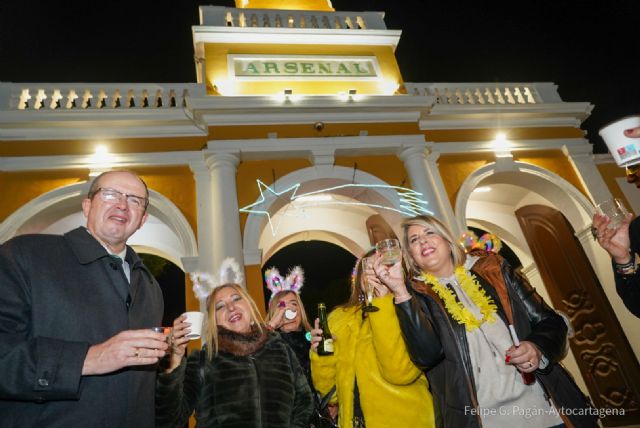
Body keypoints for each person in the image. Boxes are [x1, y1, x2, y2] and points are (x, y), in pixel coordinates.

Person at [376, 215, 597, 428]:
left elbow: (551, 322)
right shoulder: (413, 300)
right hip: (484, 420)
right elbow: (426, 356)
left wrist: (536, 348)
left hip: (544, 410)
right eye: (414, 240)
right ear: (411, 256)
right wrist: (400, 293)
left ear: (446, 240)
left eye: (429, 232)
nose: (422, 240)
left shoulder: (494, 270)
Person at [0, 170, 168, 427]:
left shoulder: (150, 286)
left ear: (142, 219)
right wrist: (91, 358)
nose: (122, 204)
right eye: (110, 194)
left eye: (135, 200)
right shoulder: (26, 255)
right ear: (87, 205)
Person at [156, 279, 314, 428]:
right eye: (220, 306)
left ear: (250, 306)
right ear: (214, 320)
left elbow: (305, 400)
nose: (231, 307)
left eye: (236, 299)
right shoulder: (204, 358)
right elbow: (170, 419)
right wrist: (174, 359)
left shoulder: (279, 347)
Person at [310, 248, 435, 428]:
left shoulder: (408, 308)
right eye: (368, 267)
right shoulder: (339, 318)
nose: (373, 272)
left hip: (406, 420)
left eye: (381, 266)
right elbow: (332, 394)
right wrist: (320, 355)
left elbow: (400, 373)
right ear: (359, 277)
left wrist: (382, 301)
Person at [592, 124, 640, 317]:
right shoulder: (635, 231)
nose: (630, 177)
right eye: (629, 166)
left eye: (635, 165)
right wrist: (623, 259)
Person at [265, 266, 313, 389]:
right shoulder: (268, 344)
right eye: (282, 305)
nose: (289, 309)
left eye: (293, 304)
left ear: (300, 310)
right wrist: (272, 325)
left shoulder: (314, 340)